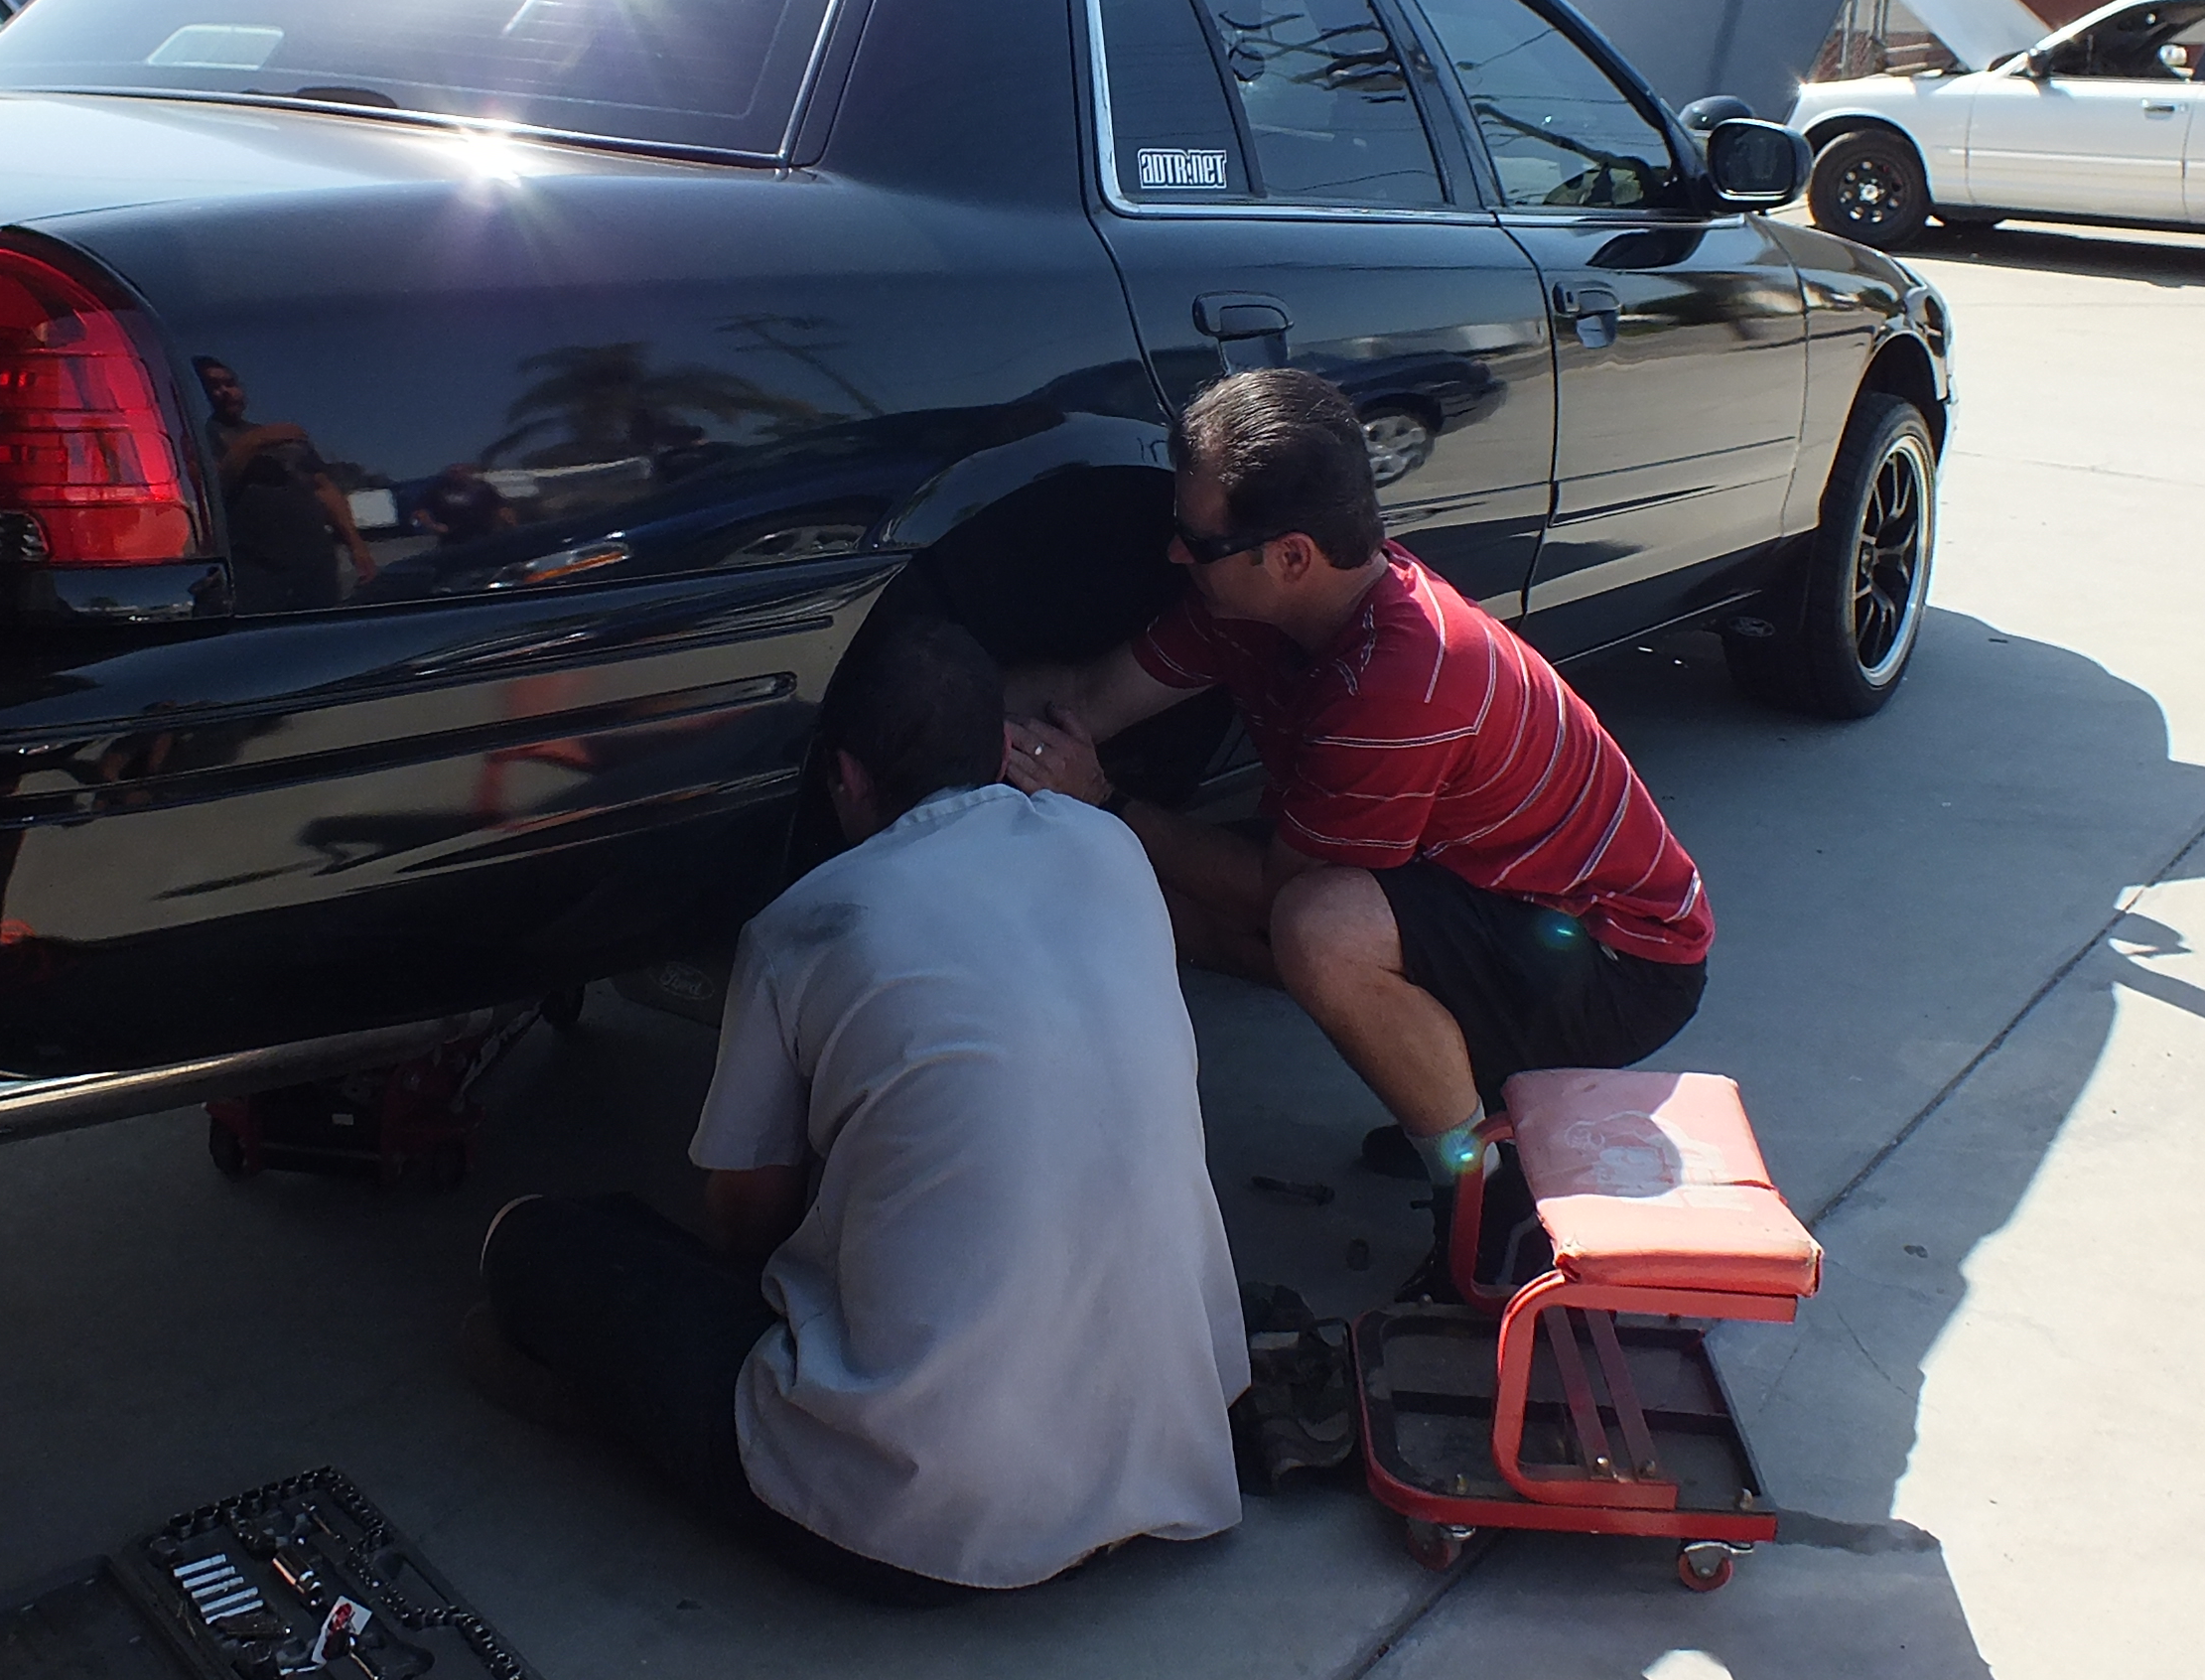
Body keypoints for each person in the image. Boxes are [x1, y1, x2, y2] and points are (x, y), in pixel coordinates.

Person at [473, 614, 1246, 1600]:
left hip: (921, 1523)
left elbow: (743, 1222)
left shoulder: (808, 924)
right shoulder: (1109, 848)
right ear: (999, 750)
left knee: (536, 1246)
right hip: (1169, 1448)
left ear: (845, 776)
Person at [1004, 368, 1711, 1240]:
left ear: (1291, 557)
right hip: (1493, 895)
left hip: (1619, 965)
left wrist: (1104, 801)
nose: (1175, 554)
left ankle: (1487, 1206)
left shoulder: (1402, 681)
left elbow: (1278, 892)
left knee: (1320, 929)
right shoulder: (1252, 602)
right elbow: (1087, 698)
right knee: (1162, 896)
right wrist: (952, 719)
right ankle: (1458, 1092)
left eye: (1196, 538)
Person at [192, 355, 377, 606]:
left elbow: (323, 488)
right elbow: (213, 489)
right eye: (213, 386)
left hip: (316, 559)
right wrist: (255, 442)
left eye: (230, 383)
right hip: (256, 567)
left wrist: (356, 545)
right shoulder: (201, 439)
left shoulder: (284, 438)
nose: (225, 392)